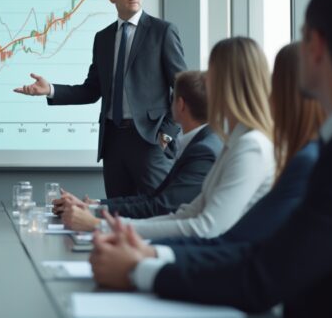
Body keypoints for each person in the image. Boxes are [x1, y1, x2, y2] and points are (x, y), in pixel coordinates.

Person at [87, 0, 332, 317]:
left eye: (302, 36)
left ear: (317, 45)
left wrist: (139, 267)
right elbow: (251, 250)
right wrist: (142, 254)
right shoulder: (315, 146)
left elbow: (260, 270)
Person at [14, 0, 187, 198]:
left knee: (160, 209)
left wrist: (166, 133)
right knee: (116, 213)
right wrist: (50, 90)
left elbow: (182, 86)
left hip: (150, 141)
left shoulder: (162, 31)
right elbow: (92, 90)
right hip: (113, 141)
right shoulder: (103, 38)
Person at [94, 37, 275, 240]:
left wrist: (105, 227)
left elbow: (206, 227)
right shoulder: (231, 143)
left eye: (211, 73)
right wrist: (108, 226)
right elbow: (187, 214)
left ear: (228, 83)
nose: (205, 82)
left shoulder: (251, 146)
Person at [55, 71, 223, 231]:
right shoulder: (200, 143)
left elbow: (161, 207)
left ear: (180, 105)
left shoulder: (203, 151)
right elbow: (153, 199)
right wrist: (93, 205)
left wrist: (95, 218)